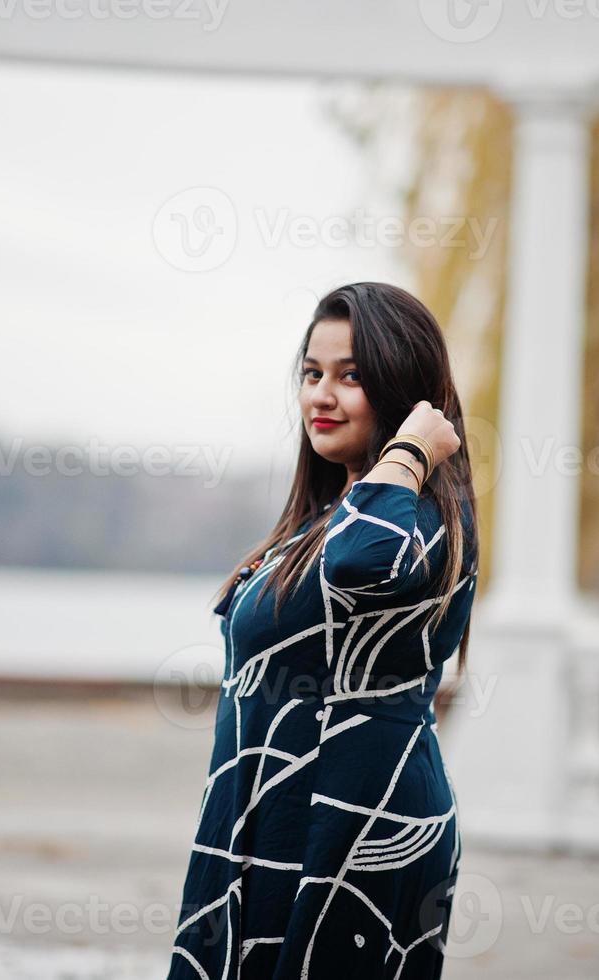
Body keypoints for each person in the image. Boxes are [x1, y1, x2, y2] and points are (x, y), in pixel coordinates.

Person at [167, 282, 480, 979]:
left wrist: (410, 451)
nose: (320, 395)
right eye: (312, 374)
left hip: (350, 829)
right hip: (269, 820)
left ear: (405, 392)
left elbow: (359, 559)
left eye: (352, 376)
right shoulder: (329, 515)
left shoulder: (420, 518)